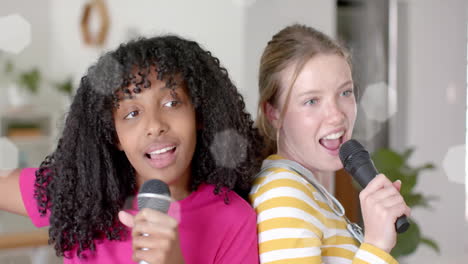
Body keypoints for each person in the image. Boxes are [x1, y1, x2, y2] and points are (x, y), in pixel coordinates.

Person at [0, 35, 262, 264]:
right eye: (132, 113)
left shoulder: (233, 219)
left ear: (199, 114)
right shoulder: (80, 191)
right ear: (113, 135)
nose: (155, 126)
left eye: (171, 103)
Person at [250, 24, 411, 264]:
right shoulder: (283, 195)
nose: (337, 116)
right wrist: (376, 245)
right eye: (312, 101)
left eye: (345, 93)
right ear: (273, 113)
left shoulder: (307, 191)